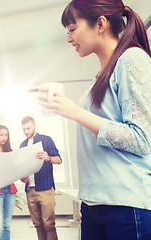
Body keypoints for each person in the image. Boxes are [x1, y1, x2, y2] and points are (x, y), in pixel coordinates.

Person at [40, 0, 151, 239]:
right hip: (93, 203)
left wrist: (75, 112)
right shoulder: (99, 77)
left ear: (100, 24)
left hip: (126, 205)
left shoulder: (132, 59)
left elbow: (141, 140)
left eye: (72, 29)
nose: (69, 38)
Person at [19, 116, 62, 240]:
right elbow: (23, 167)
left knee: (49, 225)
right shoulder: (22, 145)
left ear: (34, 125)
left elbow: (59, 160)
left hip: (45, 188)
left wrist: (48, 157)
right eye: (24, 129)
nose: (26, 131)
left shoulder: (46, 140)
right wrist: (23, 177)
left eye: (28, 128)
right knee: (38, 225)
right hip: (30, 190)